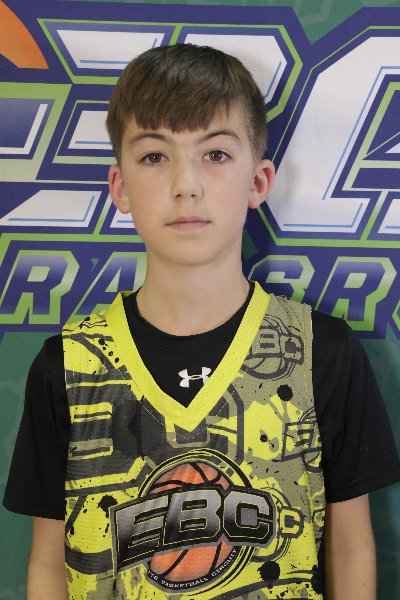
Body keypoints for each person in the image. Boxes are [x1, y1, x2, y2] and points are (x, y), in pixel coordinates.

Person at [3, 44, 400, 600]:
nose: (186, 183)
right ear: (119, 187)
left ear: (259, 181)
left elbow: (351, 547)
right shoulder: (69, 365)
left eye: (215, 154)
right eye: (154, 156)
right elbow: (48, 563)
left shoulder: (320, 351)